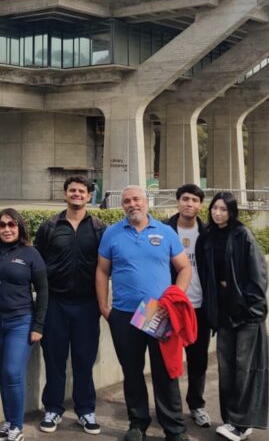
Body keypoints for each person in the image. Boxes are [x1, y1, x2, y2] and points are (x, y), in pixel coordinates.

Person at [96, 185, 192, 441]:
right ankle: (137, 424)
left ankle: (174, 428)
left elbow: (184, 268)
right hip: (124, 314)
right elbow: (102, 271)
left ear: (146, 201)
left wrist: (175, 298)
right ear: (122, 205)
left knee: (164, 371)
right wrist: (104, 307)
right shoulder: (112, 233)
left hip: (156, 312)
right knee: (132, 372)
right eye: (127, 201)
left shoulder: (165, 232)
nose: (132, 204)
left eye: (136, 199)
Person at [34, 176, 105, 434]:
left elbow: (106, 266)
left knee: (84, 360)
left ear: (89, 196)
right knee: (54, 359)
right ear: (65, 194)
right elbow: (37, 264)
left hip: (87, 305)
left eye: (82, 191)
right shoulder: (49, 227)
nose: (77, 194)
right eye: (72, 190)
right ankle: (53, 409)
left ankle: (85, 410)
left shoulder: (99, 228)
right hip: (55, 303)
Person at [0, 208, 49, 441]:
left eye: (12, 225)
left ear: (20, 227)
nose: (7, 229)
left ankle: (17, 427)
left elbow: (43, 291)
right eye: (2, 225)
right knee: (3, 374)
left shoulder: (31, 254)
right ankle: (8, 423)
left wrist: (38, 325)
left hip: (21, 321)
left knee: (12, 373)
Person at [199, 192, 269, 441]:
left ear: (231, 212)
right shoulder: (208, 237)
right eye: (214, 208)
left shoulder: (242, 235)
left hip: (246, 313)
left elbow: (258, 275)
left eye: (223, 209)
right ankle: (232, 419)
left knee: (246, 368)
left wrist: (247, 303)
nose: (218, 213)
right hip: (223, 313)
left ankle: (242, 423)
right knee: (227, 368)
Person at [164, 184, 212, 429]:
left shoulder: (208, 234)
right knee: (166, 361)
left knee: (198, 360)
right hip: (168, 307)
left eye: (194, 200)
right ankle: (169, 410)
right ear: (178, 201)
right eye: (185, 199)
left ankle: (196, 405)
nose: (189, 204)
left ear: (200, 205)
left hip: (199, 307)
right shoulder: (163, 230)